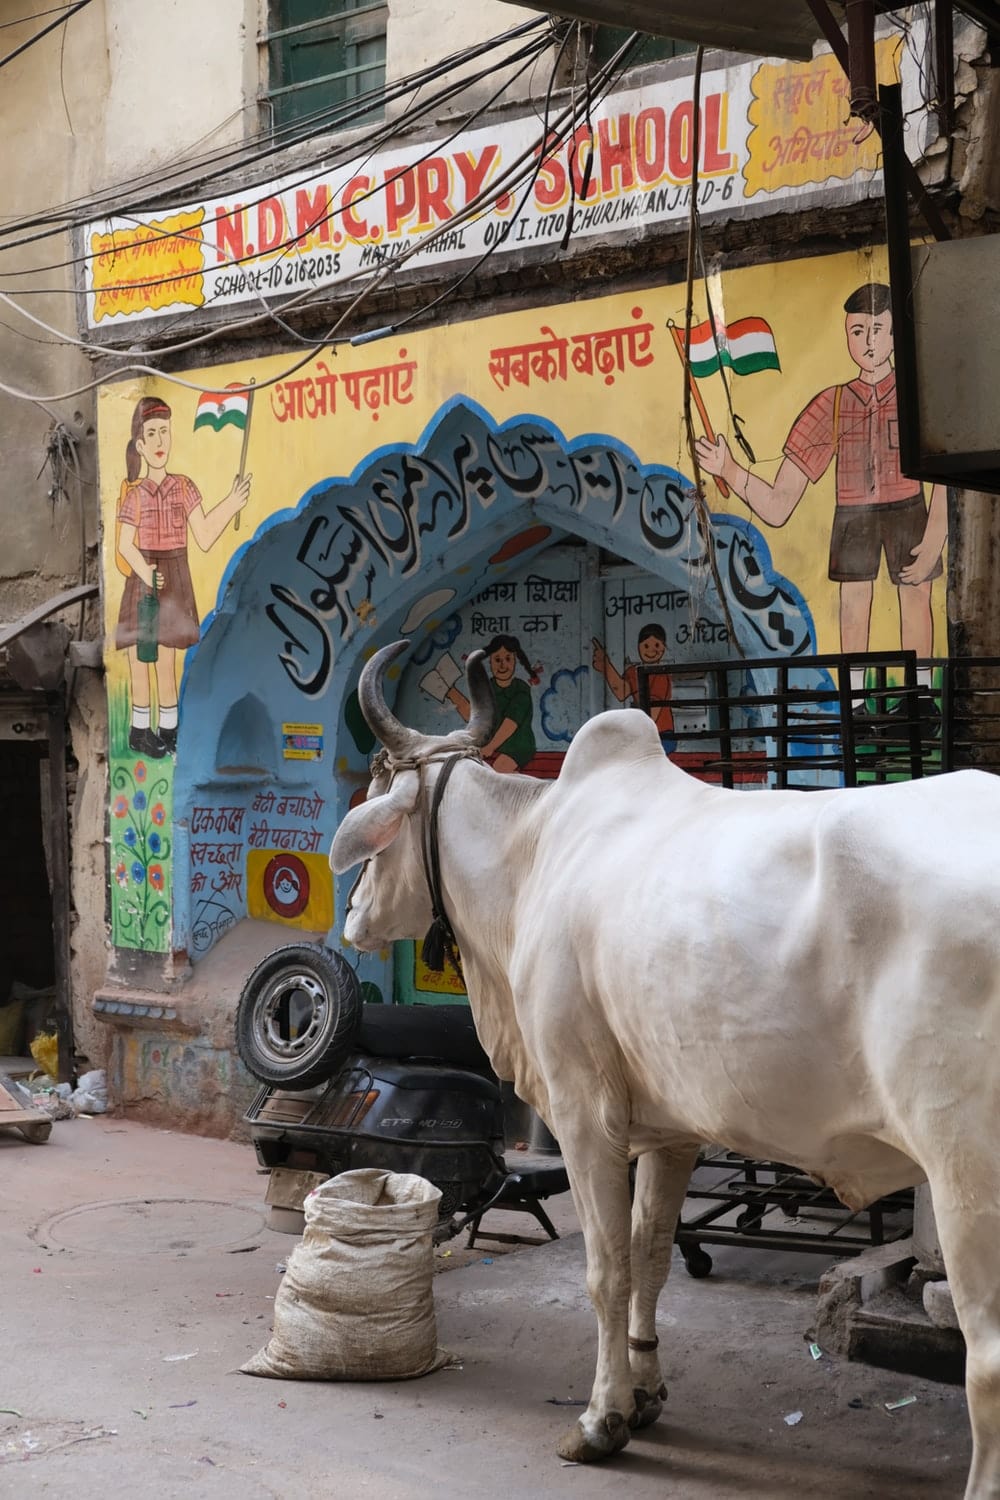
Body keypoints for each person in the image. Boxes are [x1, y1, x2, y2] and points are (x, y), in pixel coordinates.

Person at [695, 283, 947, 713]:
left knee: (916, 595)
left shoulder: (918, 398)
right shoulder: (831, 405)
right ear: (846, 335)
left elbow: (943, 471)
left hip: (908, 507)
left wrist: (936, 536)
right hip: (851, 514)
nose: (868, 342)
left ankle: (920, 698)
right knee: (853, 603)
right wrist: (730, 470)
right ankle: (855, 704)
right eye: (857, 331)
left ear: (895, 335)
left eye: (878, 330)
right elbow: (779, 504)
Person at [114, 395, 251, 757]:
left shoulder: (184, 486)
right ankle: (139, 729)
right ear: (140, 445)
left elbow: (203, 535)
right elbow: (125, 545)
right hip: (144, 577)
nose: (160, 440)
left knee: (167, 658)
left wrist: (232, 503)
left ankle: (168, 729)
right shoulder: (135, 496)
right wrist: (146, 573)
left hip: (174, 572)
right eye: (152, 433)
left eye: (165, 431)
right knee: (139, 657)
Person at [423, 635, 539, 773]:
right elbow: (475, 716)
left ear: (515, 660)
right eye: (497, 660)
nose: (502, 664)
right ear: (490, 662)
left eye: (508, 659)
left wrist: (490, 747)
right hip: (490, 743)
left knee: (498, 768)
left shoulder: (521, 689)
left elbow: (510, 724)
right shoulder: (488, 686)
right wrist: (451, 692)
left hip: (517, 744)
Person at [592, 623, 675, 751]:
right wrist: (606, 665)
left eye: (657, 645)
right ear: (639, 647)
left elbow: (652, 715)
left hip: (662, 735)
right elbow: (621, 692)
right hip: (643, 734)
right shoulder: (633, 672)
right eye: (646, 646)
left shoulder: (660, 676)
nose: (651, 650)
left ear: (663, 648)